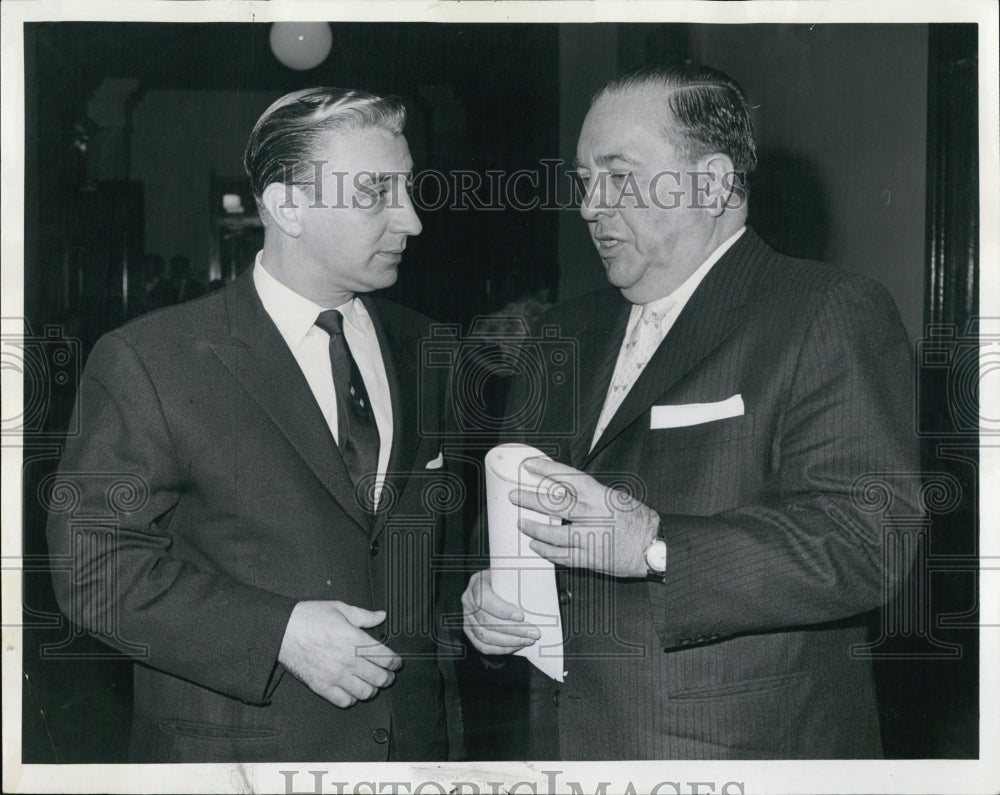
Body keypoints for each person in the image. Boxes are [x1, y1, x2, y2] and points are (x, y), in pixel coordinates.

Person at [461, 63, 920, 759]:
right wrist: (484, 595)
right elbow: (502, 520)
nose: (590, 206)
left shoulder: (824, 310)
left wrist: (650, 544)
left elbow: (867, 542)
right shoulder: (561, 334)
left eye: (618, 175)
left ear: (711, 184)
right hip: (569, 745)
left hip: (742, 752)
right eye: (585, 181)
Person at [46, 87, 453, 762]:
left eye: (408, 188)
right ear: (287, 204)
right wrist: (278, 632)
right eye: (377, 191)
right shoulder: (153, 359)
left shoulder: (429, 349)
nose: (410, 219)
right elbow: (92, 569)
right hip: (236, 759)